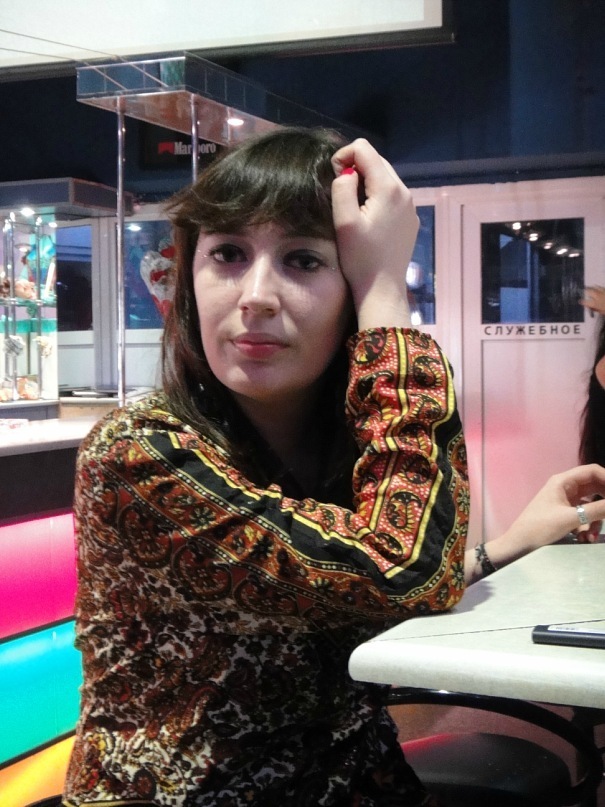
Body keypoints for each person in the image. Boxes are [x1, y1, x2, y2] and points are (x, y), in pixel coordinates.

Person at [63, 128, 605, 807]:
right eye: (228, 253)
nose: (256, 295)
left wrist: (507, 544)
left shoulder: (337, 440)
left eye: (302, 259)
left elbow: (348, 587)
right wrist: (385, 290)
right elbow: (401, 574)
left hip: (349, 780)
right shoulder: (139, 453)